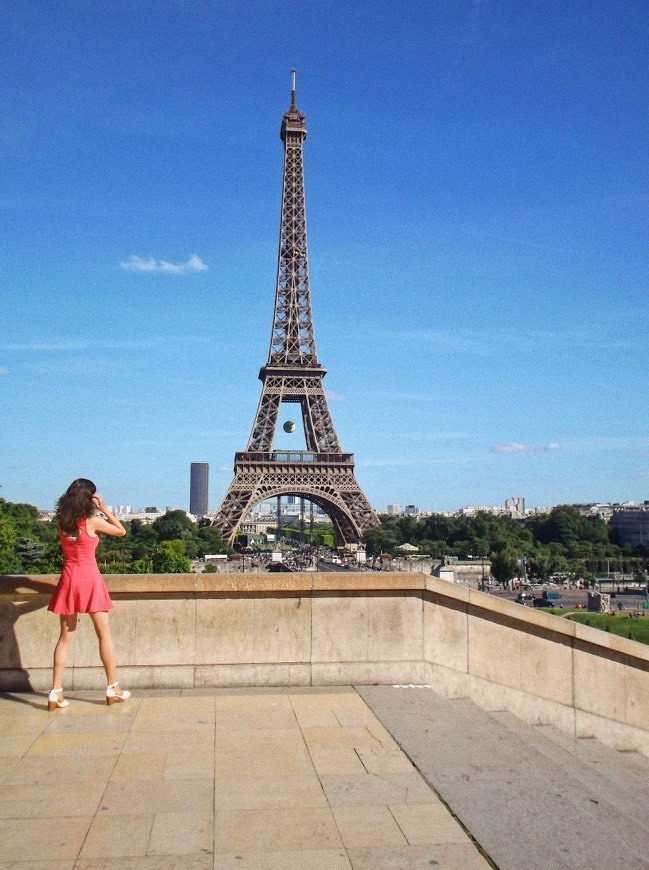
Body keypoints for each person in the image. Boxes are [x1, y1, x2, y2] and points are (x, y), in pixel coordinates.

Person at [47, 478, 131, 710]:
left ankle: (55, 691)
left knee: (65, 638)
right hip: (90, 579)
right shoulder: (92, 522)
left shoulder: (61, 522)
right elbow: (121, 531)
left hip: (68, 578)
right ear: (89, 498)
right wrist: (104, 509)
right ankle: (112, 686)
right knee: (104, 635)